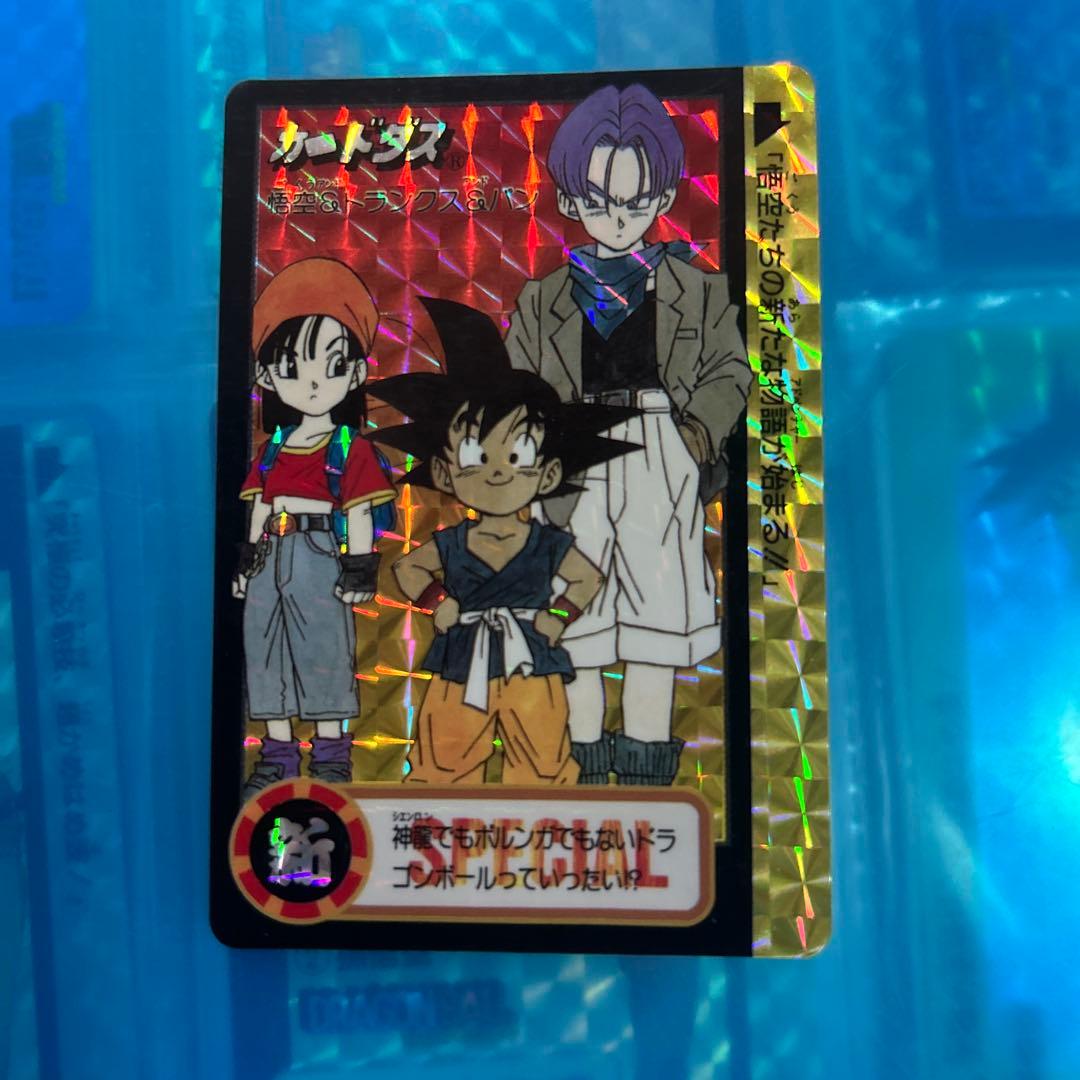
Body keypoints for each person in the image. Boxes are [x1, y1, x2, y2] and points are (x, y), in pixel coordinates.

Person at [505, 84, 752, 785]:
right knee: (573, 626)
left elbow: (730, 372)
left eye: (636, 201)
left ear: (663, 198)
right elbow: (516, 386)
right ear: (570, 200)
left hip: (658, 452)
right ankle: (581, 770)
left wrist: (691, 444)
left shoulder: (699, 289)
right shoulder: (543, 298)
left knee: (656, 631)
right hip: (571, 461)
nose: (617, 217)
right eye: (599, 201)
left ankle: (646, 780)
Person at [369, 297, 640, 785]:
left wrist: (558, 617)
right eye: (476, 455)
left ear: (549, 473)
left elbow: (587, 579)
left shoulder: (547, 543)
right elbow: (408, 567)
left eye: (517, 456)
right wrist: (438, 603)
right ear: (445, 472)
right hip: (460, 661)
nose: (497, 472)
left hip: (532, 663)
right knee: (442, 765)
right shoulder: (454, 542)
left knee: (542, 767)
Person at [233, 258, 396, 798]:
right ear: (266, 376)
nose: (312, 383)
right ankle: (277, 753)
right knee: (266, 651)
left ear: (356, 374)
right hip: (271, 555)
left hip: (320, 551)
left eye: (332, 365)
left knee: (324, 651)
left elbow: (358, 513)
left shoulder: (351, 448)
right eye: (291, 367)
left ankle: (330, 755)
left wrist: (359, 569)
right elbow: (258, 505)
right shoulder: (273, 447)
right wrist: (245, 560)